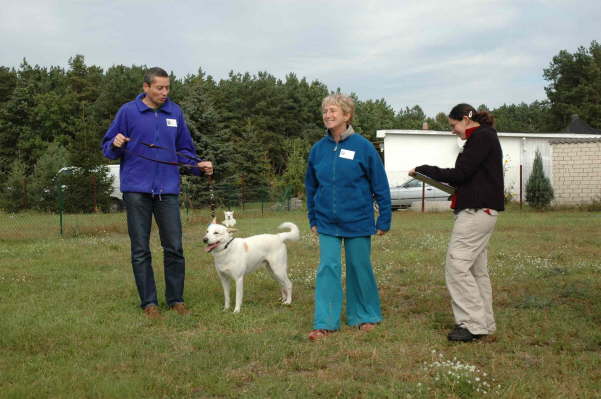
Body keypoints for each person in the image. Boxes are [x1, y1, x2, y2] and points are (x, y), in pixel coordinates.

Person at [101, 67, 213, 318]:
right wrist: (115, 144)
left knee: (174, 246)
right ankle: (149, 303)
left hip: (168, 190)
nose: (165, 93)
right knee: (140, 249)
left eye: (167, 88)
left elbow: (184, 150)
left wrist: (198, 166)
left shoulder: (174, 112)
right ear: (146, 87)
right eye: (159, 88)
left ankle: (176, 299)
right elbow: (108, 148)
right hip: (136, 190)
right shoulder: (128, 112)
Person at [409, 103, 503, 342]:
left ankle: (471, 324)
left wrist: (425, 169)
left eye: (453, 125)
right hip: (483, 210)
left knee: (457, 266)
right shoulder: (484, 137)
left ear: (465, 119)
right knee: (475, 270)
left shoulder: (480, 138)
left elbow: (460, 174)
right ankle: (485, 322)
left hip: (475, 212)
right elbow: (469, 178)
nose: (453, 131)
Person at [304, 93, 392, 341]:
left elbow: (380, 185)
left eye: (333, 111)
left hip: (358, 221)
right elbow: (311, 187)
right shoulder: (318, 149)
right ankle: (325, 322)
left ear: (347, 115)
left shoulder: (363, 147)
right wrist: (313, 218)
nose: (328, 115)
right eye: (325, 111)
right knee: (328, 269)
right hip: (327, 222)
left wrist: (384, 219)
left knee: (359, 268)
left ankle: (365, 316)